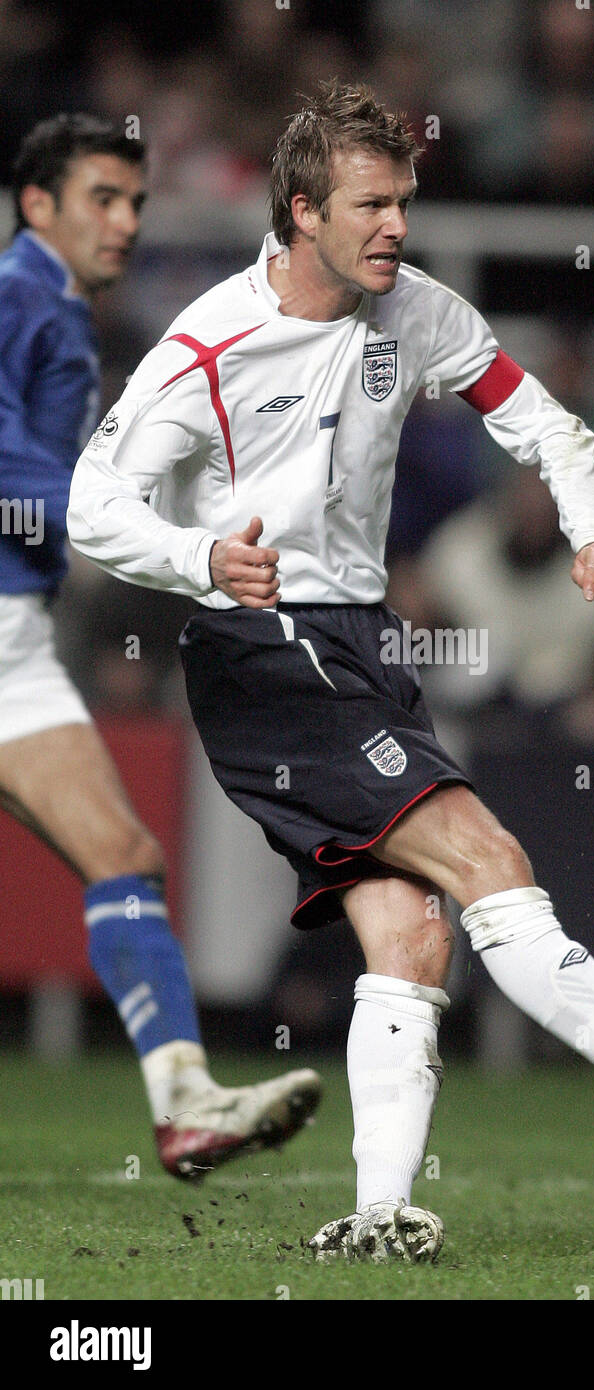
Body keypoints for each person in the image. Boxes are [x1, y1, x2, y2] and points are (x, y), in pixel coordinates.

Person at [67, 82, 594, 1263]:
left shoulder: (412, 309)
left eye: (405, 202)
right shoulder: (208, 340)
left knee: (414, 928)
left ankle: (375, 1215)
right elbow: (90, 504)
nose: (395, 227)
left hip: (351, 645)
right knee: (489, 861)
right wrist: (197, 553)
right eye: (371, 204)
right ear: (301, 208)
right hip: (263, 647)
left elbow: (541, 421)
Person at [0, 113, 320, 1181]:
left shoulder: (56, 312)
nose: (126, 221)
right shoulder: (17, 300)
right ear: (38, 204)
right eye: (102, 196)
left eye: (135, 200)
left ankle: (185, 1105)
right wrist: (156, 536)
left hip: (15, 645)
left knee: (124, 858)